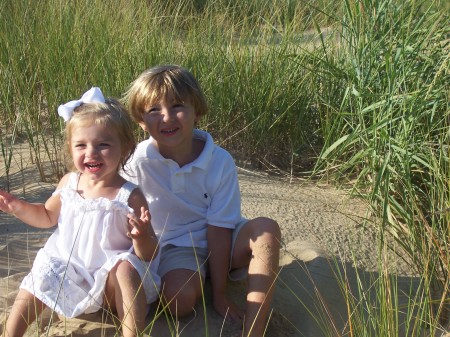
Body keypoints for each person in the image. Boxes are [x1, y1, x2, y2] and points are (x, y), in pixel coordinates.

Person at [122, 65, 281, 337]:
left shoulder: (218, 160)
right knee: (178, 302)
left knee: (267, 231)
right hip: (175, 246)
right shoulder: (136, 161)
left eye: (177, 106)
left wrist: (219, 295)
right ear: (140, 120)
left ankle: (255, 327)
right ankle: (197, 280)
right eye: (154, 110)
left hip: (223, 240)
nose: (167, 117)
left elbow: (219, 228)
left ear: (197, 110)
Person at [0, 87, 160, 337]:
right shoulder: (69, 183)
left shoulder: (129, 195)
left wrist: (141, 238)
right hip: (69, 275)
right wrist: (17, 207)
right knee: (42, 271)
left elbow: (149, 254)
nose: (91, 153)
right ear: (70, 148)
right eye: (81, 145)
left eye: (103, 144)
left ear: (126, 147)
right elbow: (45, 215)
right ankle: (11, 333)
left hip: (109, 284)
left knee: (126, 267)